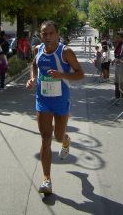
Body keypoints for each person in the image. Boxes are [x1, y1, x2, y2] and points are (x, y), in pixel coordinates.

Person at [26, 20, 84, 194]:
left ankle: (66, 140)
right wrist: (33, 78)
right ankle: (46, 180)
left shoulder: (65, 52)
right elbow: (34, 65)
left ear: (58, 34)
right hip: (43, 99)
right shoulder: (37, 50)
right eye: (44, 33)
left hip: (60, 99)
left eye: (51, 33)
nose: (48, 37)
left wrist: (61, 75)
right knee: (45, 138)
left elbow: (80, 74)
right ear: (40, 35)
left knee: (58, 137)